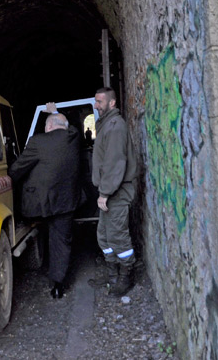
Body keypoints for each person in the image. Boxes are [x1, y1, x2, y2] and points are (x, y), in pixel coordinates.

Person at [8, 107, 81, 299]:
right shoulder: (72, 137)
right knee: (61, 241)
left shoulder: (38, 142)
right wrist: (56, 111)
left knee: (36, 224)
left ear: (48, 126)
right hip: (66, 203)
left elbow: (18, 169)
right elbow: (71, 126)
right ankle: (58, 285)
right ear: (64, 127)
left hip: (41, 205)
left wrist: (7, 179)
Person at [90, 87, 137, 296]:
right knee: (104, 235)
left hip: (117, 193)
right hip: (109, 192)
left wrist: (105, 193)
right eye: (96, 101)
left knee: (118, 235)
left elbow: (115, 163)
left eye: (100, 102)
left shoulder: (115, 126)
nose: (96, 105)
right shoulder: (106, 125)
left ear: (112, 103)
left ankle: (126, 276)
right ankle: (112, 275)